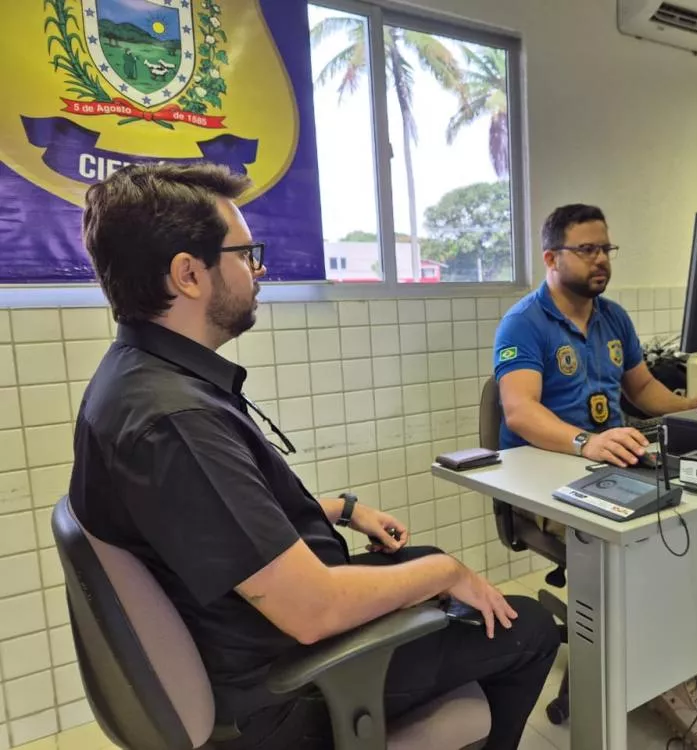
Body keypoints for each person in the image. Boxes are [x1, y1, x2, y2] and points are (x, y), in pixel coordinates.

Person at [69, 163, 559, 750]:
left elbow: (210, 524)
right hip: (286, 689)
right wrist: (449, 573)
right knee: (527, 627)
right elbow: (312, 611)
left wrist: (342, 510)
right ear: (188, 274)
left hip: (252, 633)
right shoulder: (175, 422)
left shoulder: (139, 379)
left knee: (427, 565)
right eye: (245, 255)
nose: (258, 270)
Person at [493, 204, 697, 750]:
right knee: (654, 544)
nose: (601, 260)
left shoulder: (614, 318)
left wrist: (688, 406)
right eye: (587, 250)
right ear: (552, 258)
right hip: (545, 484)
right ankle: (667, 680)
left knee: (695, 521)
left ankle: (668, 656)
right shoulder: (523, 322)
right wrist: (585, 441)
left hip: (611, 467)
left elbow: (641, 389)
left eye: (606, 249)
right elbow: (520, 412)